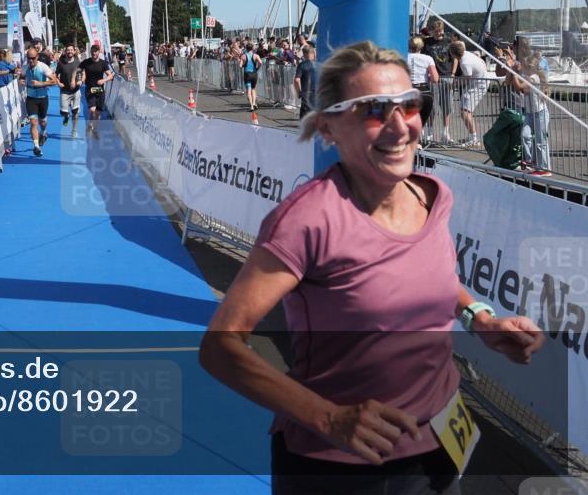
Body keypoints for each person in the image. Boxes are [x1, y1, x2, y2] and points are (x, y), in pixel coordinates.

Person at [200, 40, 544, 495]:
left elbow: (433, 279)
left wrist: (479, 318)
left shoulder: (431, 196)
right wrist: (329, 417)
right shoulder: (307, 220)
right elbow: (219, 348)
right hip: (347, 468)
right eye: (375, 111)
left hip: (443, 438)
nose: (400, 127)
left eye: (410, 105)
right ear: (328, 127)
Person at [449, 42, 487, 148]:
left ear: (452, 53)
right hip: (477, 83)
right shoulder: (467, 54)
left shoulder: (464, 63)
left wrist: (453, 83)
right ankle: (472, 137)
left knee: (465, 112)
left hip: (478, 86)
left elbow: (467, 79)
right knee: (465, 111)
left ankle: (474, 139)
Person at [423, 20, 454, 144]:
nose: (439, 33)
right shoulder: (427, 43)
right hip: (433, 77)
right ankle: (429, 133)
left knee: (447, 107)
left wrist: (453, 74)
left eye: (440, 30)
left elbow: (454, 59)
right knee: (432, 107)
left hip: (446, 75)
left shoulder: (448, 42)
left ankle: (445, 133)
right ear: (432, 31)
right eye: (436, 31)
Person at [23, 46, 56, 156]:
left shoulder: (43, 67)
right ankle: (36, 147)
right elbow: (21, 77)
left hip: (43, 98)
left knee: (43, 122)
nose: (31, 60)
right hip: (31, 98)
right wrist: (21, 81)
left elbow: (54, 81)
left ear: (37, 57)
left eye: (33, 58)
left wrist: (40, 84)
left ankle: (43, 133)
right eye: (29, 58)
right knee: (33, 123)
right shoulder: (25, 67)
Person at [78, 44, 114, 139]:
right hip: (89, 89)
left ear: (99, 52)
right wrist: (81, 79)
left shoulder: (103, 63)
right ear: (90, 52)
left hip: (100, 90)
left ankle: (94, 129)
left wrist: (104, 80)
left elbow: (110, 76)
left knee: (98, 113)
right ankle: (90, 125)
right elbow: (78, 70)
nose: (94, 53)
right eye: (93, 51)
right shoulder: (86, 62)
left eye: (96, 51)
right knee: (92, 110)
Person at [407, 36, 439, 139]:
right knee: (419, 124)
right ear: (422, 46)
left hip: (409, 91)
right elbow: (435, 78)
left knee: (408, 122)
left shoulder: (403, 57)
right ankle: (418, 143)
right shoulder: (428, 59)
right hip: (424, 92)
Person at [55, 44, 83, 134]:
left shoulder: (78, 62)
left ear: (74, 51)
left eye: (71, 50)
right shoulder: (61, 63)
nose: (70, 51)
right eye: (68, 50)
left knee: (75, 112)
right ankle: (66, 116)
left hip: (76, 91)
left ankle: (74, 130)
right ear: (65, 52)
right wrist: (58, 83)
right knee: (63, 112)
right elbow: (55, 75)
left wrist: (80, 81)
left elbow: (83, 73)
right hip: (64, 91)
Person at [293, 44, 317, 119]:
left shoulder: (302, 65)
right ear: (313, 53)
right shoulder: (319, 64)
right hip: (318, 92)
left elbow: (297, 80)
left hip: (306, 93)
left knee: (305, 118)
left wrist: (299, 92)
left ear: (304, 54)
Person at [241, 41, 262, 112]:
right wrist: (257, 68)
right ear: (252, 48)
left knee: (248, 91)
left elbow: (240, 66)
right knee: (253, 89)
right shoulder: (256, 55)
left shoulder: (243, 56)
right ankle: (254, 103)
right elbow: (260, 62)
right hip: (254, 73)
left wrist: (244, 64)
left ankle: (251, 106)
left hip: (247, 74)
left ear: (246, 49)